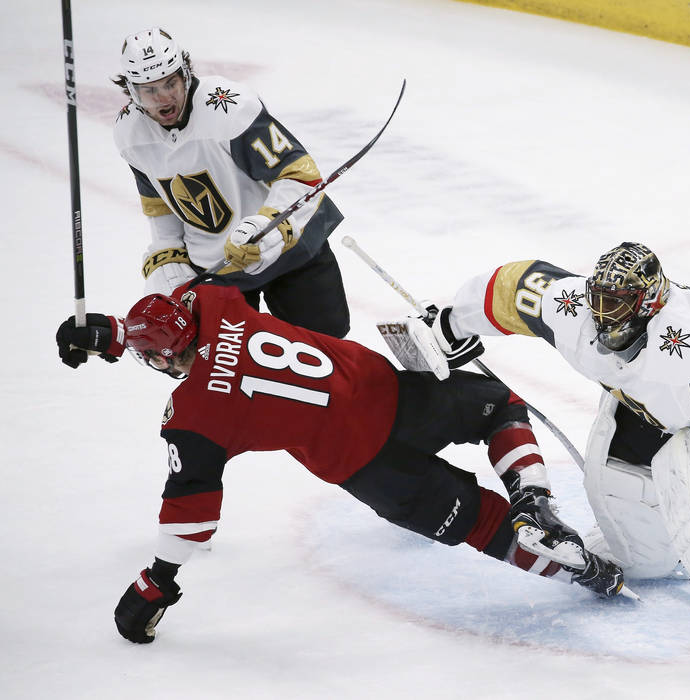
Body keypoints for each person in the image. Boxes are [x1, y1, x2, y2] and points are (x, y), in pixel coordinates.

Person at [53, 279, 627, 644]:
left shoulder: (194, 414)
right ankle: (534, 498)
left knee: (480, 524)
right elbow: (181, 298)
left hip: (364, 465)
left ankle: (587, 572)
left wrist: (157, 583)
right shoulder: (215, 299)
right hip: (394, 395)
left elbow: (190, 514)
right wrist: (115, 332)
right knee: (497, 407)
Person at [415, 242, 690, 683]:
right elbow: (512, 288)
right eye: (598, 299)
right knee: (622, 511)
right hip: (645, 405)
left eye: (616, 304)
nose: (602, 315)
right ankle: (666, 553)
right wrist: (452, 323)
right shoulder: (574, 308)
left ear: (648, 304)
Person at [108, 26, 349, 341]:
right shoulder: (130, 134)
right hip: (216, 270)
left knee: (325, 346)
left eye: (171, 83)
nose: (165, 98)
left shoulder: (229, 108)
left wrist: (266, 227)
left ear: (185, 72)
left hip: (290, 254)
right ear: (131, 92)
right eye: (150, 91)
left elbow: (300, 175)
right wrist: (167, 251)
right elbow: (159, 203)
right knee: (219, 366)